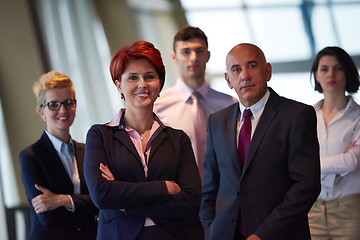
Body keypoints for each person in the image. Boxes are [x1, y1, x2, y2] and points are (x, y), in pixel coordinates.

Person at [199, 43, 321, 240]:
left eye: (252, 66)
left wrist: (263, 235)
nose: (245, 75)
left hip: (278, 235)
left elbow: (306, 186)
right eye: (236, 69)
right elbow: (210, 187)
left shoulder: (297, 115)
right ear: (228, 79)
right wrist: (210, 229)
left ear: (268, 71)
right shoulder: (216, 121)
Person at [84, 40, 202, 240]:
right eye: (132, 78)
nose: (142, 84)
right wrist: (165, 187)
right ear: (118, 85)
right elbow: (101, 195)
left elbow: (191, 200)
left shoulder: (178, 139)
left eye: (149, 76)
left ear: (160, 83)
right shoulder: (100, 135)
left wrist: (124, 203)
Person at [19, 71, 98, 240]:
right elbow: (48, 216)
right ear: (41, 111)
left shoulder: (89, 150)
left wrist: (63, 200)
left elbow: (103, 200)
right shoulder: (31, 156)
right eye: (54, 104)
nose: (63, 109)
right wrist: (87, 206)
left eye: (68, 102)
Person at [153, 26, 237, 181]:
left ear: (208, 55)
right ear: (174, 57)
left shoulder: (230, 106)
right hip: (178, 196)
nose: (193, 57)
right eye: (185, 52)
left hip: (224, 194)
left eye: (199, 51)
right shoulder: (156, 107)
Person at [308, 46, 360, 240]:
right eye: (324, 69)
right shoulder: (305, 117)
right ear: (316, 75)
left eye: (338, 68)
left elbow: (353, 162)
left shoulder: (358, 117)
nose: (331, 74)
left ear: (347, 72)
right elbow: (294, 162)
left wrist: (313, 164)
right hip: (312, 209)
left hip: (350, 209)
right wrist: (340, 160)